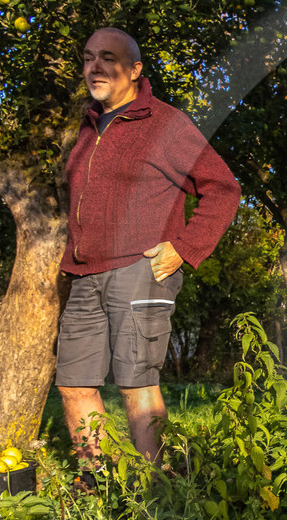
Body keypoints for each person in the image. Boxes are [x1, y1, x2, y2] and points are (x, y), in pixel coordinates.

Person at [57, 27, 241, 472]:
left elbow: (223, 189)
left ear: (135, 70)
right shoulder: (85, 129)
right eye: (88, 57)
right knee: (73, 384)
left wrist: (184, 247)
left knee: (135, 383)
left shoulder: (165, 123)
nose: (95, 67)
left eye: (108, 58)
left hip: (140, 270)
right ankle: (98, 479)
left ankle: (158, 490)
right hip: (84, 274)